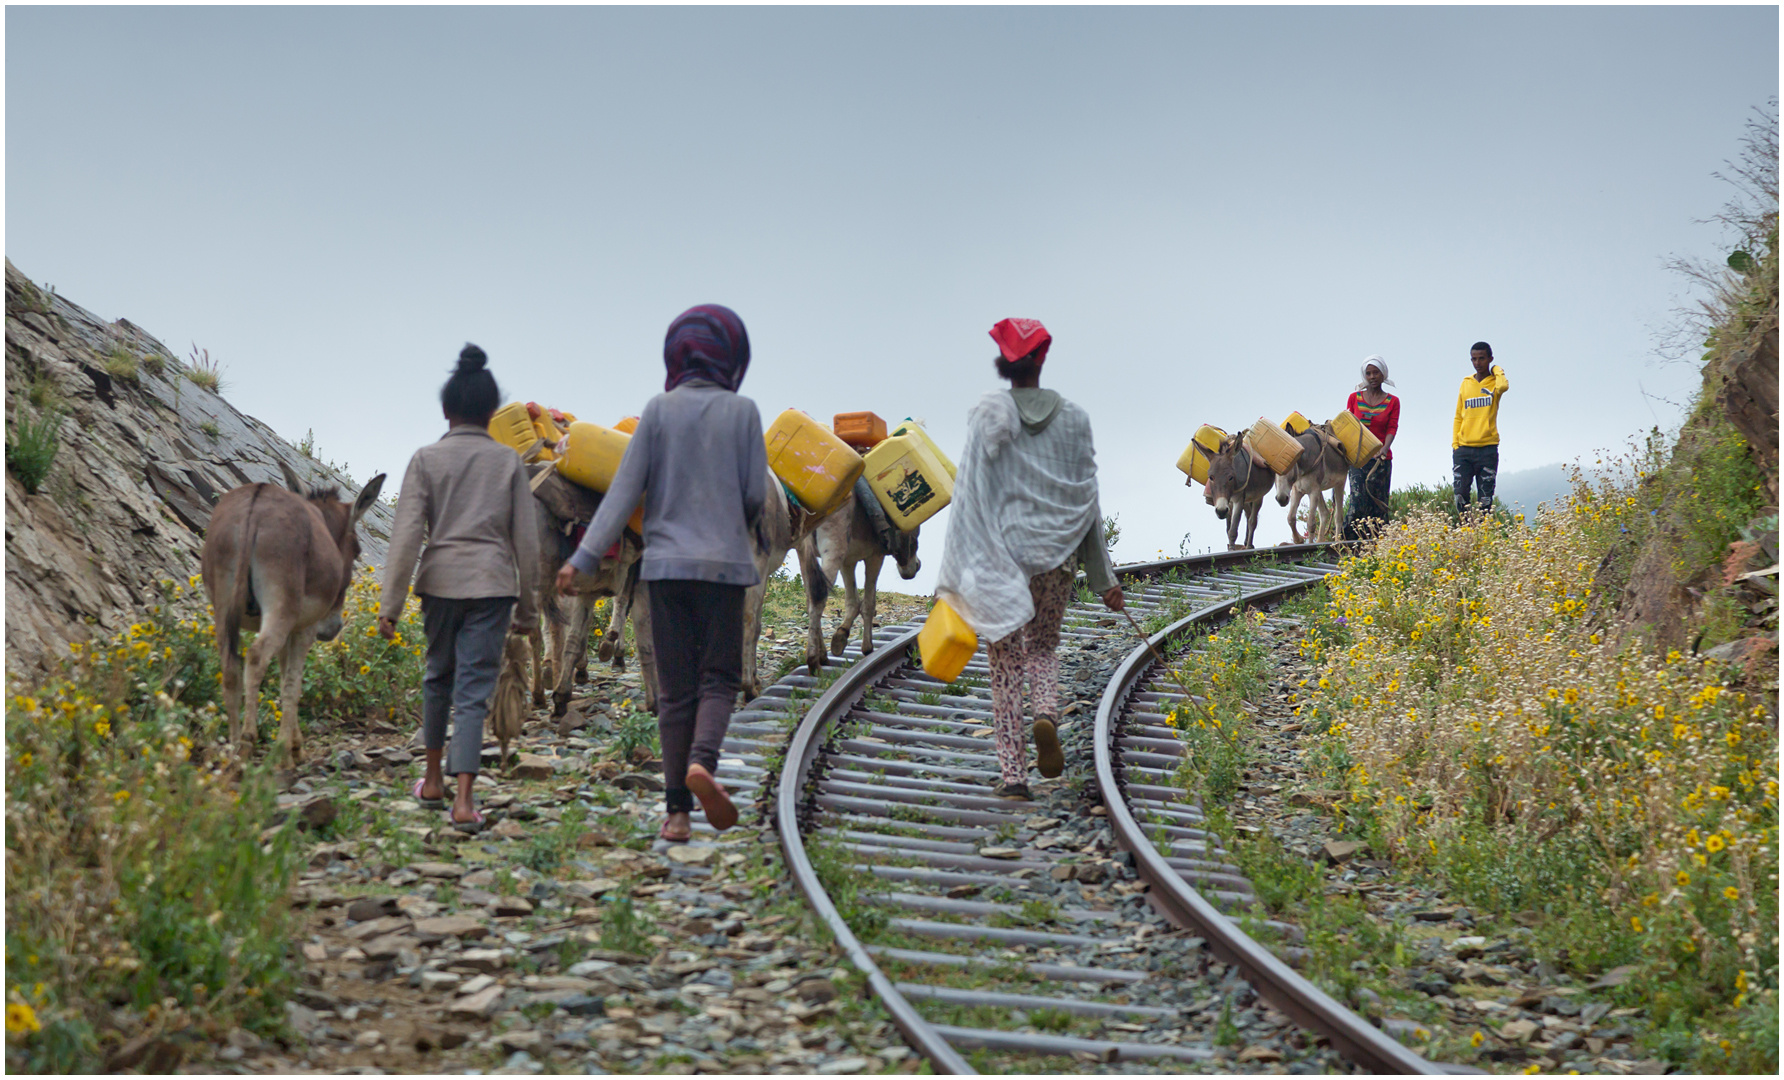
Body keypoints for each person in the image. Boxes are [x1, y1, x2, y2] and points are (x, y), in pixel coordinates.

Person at [556, 305, 764, 843]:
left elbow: (623, 493)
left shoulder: (657, 411)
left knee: (674, 692)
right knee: (719, 679)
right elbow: (754, 496)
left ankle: (675, 815)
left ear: (676, 354)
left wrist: (581, 560)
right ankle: (703, 762)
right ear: (732, 356)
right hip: (724, 569)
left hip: (665, 570)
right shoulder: (743, 413)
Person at [934, 318, 1124, 801]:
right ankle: (1045, 713)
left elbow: (970, 495)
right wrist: (1104, 579)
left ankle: (1014, 776)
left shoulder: (989, 418)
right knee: (1042, 647)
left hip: (1001, 562)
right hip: (1056, 562)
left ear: (1004, 363)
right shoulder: (1075, 420)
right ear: (1042, 360)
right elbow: (1086, 502)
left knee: (1004, 664)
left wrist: (958, 572)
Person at [380, 344, 540, 834]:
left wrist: (390, 606)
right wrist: (528, 608)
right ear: (492, 413)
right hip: (492, 586)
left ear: (446, 410)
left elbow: (407, 534)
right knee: (473, 691)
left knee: (437, 677)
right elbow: (526, 544)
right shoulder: (507, 462)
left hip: (440, 583)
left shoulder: (426, 459)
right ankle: (465, 803)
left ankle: (432, 781)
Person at [1343, 355, 1400, 538]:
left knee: (1378, 506)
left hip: (1381, 460)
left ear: (1383, 374)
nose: (1372, 376)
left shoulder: (1393, 401)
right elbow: (1349, 424)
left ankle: (1377, 544)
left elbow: (1392, 427)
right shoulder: (1354, 398)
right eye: (1369, 373)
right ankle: (1348, 542)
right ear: (1364, 376)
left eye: (1376, 372)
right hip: (1358, 459)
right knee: (1357, 501)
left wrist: (1384, 447)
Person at [1452, 341, 1509, 514]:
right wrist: (1455, 445)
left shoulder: (1494, 383)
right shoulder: (1466, 383)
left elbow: (1504, 386)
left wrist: (1497, 369)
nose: (1478, 363)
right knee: (1460, 496)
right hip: (1464, 450)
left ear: (1490, 359)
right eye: (1474, 359)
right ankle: (1467, 533)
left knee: (1485, 500)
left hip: (1487, 449)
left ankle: (1483, 535)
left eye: (1482, 359)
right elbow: (1458, 416)